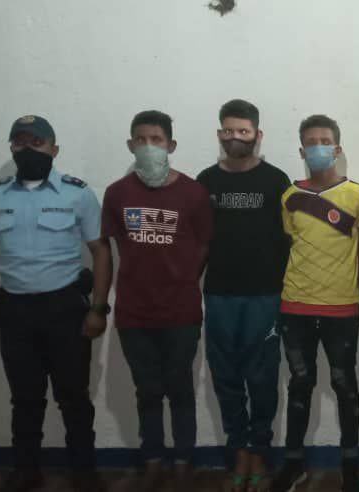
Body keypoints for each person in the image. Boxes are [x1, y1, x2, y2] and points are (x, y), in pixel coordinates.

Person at [0, 115, 111, 492]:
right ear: (11, 148)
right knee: (25, 398)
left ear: (54, 149)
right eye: (20, 142)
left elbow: (101, 252)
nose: (28, 148)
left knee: (74, 397)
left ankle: (84, 472)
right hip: (15, 312)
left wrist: (98, 309)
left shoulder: (77, 194)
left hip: (65, 309)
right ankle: (26, 470)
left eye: (37, 142)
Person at [101, 110, 213, 490]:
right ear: (130, 145)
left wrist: (181, 279)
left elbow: (203, 246)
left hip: (181, 312)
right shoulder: (117, 193)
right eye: (141, 140)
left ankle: (183, 461)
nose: (149, 146)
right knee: (147, 391)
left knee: (180, 389)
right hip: (134, 313)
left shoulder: (194, 193)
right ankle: (152, 459)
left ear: (171, 145)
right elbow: (114, 246)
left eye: (157, 140)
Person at [197, 99, 291, 492]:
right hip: (219, 295)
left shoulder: (276, 180)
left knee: (263, 378)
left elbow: (289, 241)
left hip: (265, 296)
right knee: (226, 378)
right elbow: (198, 242)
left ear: (257, 135)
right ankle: (238, 449)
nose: (236, 137)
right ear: (220, 134)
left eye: (244, 131)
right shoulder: (205, 181)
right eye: (229, 130)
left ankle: (259, 451)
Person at [272, 115, 359, 492]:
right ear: (302, 151)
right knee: (300, 385)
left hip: (341, 308)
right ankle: (293, 463)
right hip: (295, 307)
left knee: (346, 386)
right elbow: (288, 245)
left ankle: (351, 465)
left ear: (337, 148)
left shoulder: (358, 195)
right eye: (310, 142)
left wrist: (351, 286)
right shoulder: (289, 196)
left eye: (325, 141)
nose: (318, 148)